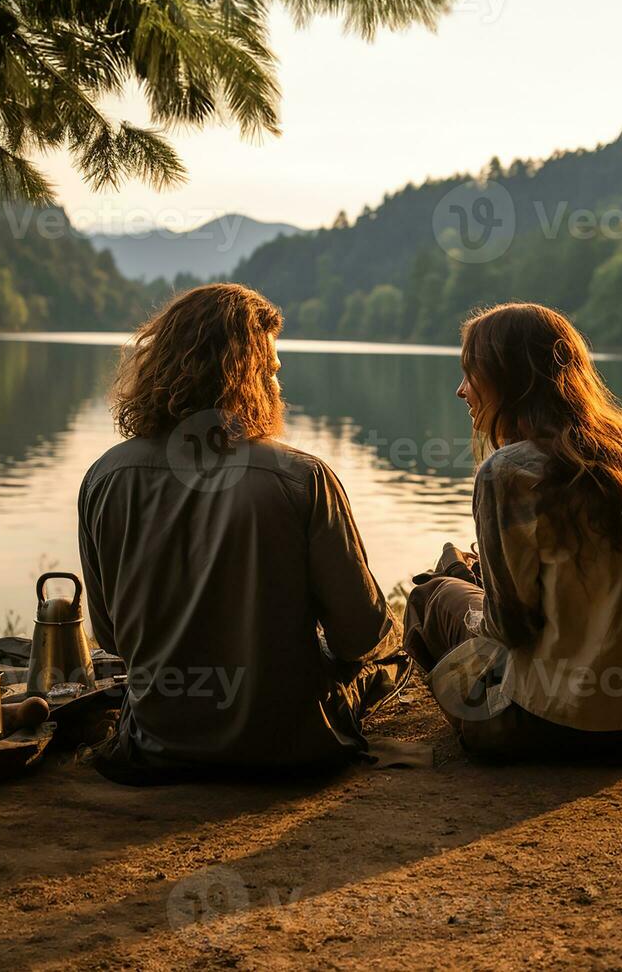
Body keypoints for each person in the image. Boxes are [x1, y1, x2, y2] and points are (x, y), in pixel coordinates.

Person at [78, 283, 408, 782]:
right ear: (244, 377)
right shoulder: (303, 478)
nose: (279, 385)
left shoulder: (105, 476)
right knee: (393, 652)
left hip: (157, 744)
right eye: (271, 371)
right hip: (288, 748)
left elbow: (110, 637)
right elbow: (361, 635)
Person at [403, 303, 622, 759]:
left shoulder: (505, 473)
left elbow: (509, 626)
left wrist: (467, 586)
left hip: (540, 728)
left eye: (470, 374)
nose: (461, 391)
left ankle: (478, 712)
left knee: (431, 597)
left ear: (511, 379)